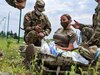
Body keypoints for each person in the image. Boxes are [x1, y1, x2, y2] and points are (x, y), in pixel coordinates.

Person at [23, 0, 51, 66]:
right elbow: (26, 28)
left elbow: (49, 28)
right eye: (39, 10)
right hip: (29, 37)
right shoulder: (28, 15)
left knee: (46, 48)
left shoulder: (44, 17)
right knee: (33, 33)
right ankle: (28, 59)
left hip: (40, 38)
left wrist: (44, 33)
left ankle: (40, 61)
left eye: (41, 11)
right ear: (34, 7)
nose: (40, 12)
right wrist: (34, 28)